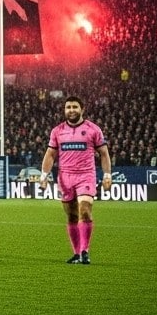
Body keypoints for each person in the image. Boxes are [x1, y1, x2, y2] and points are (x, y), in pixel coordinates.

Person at [37, 96, 112, 265]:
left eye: (75, 107)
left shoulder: (93, 129)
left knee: (84, 210)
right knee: (71, 216)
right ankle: (77, 253)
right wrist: (43, 176)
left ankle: (85, 251)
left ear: (82, 109)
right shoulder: (57, 131)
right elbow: (50, 155)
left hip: (86, 175)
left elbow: (104, 153)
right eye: (68, 107)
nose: (71, 110)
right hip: (65, 178)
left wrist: (107, 175)